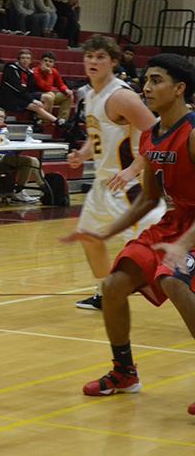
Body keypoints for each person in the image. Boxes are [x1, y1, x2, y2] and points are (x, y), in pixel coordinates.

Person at [61, 53, 195, 416]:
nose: (147, 87)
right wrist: (104, 233)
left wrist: (182, 244)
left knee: (172, 280)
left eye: (156, 81)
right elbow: (149, 198)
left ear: (179, 88)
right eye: (146, 80)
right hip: (176, 219)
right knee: (114, 285)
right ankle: (125, 372)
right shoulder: (152, 135)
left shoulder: (193, 133)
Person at [64, 35, 167, 311]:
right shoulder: (90, 93)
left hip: (130, 187)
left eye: (100, 57)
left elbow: (158, 134)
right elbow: (99, 133)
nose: (93, 61)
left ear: (112, 62)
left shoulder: (121, 96)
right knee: (89, 237)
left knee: (162, 251)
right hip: (104, 184)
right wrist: (82, 154)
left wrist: (135, 168)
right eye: (90, 56)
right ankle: (105, 292)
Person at [0, 107, 46, 203]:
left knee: (29, 163)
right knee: (31, 161)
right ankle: (44, 187)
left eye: (2, 117)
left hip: (4, 157)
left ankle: (18, 192)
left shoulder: (3, 131)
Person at [0, 49, 64, 125]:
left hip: (23, 96)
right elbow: (17, 88)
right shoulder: (11, 68)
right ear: (18, 60)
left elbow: (32, 89)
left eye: (28, 58)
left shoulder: (29, 72)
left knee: (48, 97)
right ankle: (51, 121)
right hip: (12, 97)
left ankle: (44, 121)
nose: (25, 60)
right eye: (23, 58)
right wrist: (32, 100)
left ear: (31, 61)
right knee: (35, 106)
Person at [33, 51, 74, 121]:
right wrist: (49, 73)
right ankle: (45, 120)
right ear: (41, 62)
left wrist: (66, 90)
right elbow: (44, 87)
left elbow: (60, 84)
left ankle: (62, 120)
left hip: (49, 93)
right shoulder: (35, 71)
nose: (47, 63)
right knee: (50, 96)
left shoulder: (54, 71)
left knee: (68, 96)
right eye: (45, 61)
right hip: (38, 94)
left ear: (53, 64)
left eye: (50, 61)